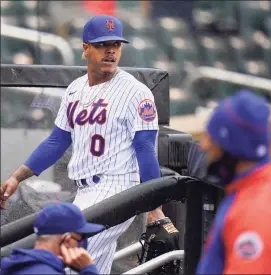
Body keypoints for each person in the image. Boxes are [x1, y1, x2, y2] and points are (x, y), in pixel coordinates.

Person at [0, 15, 178, 274]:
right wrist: (18, 177)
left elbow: (144, 148)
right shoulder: (74, 89)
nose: (110, 51)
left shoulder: (136, 92)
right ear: (85, 48)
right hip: (84, 191)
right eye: (102, 44)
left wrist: (154, 208)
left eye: (116, 44)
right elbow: (57, 141)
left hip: (118, 189)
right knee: (93, 267)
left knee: (65, 254)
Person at [195, 90, 271, 274]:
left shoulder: (256, 214)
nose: (204, 145)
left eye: (212, 139)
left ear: (233, 147)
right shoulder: (250, 191)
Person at [0, 202, 104, 274]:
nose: (82, 243)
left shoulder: (16, 264)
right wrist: (88, 269)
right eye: (80, 237)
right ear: (67, 240)